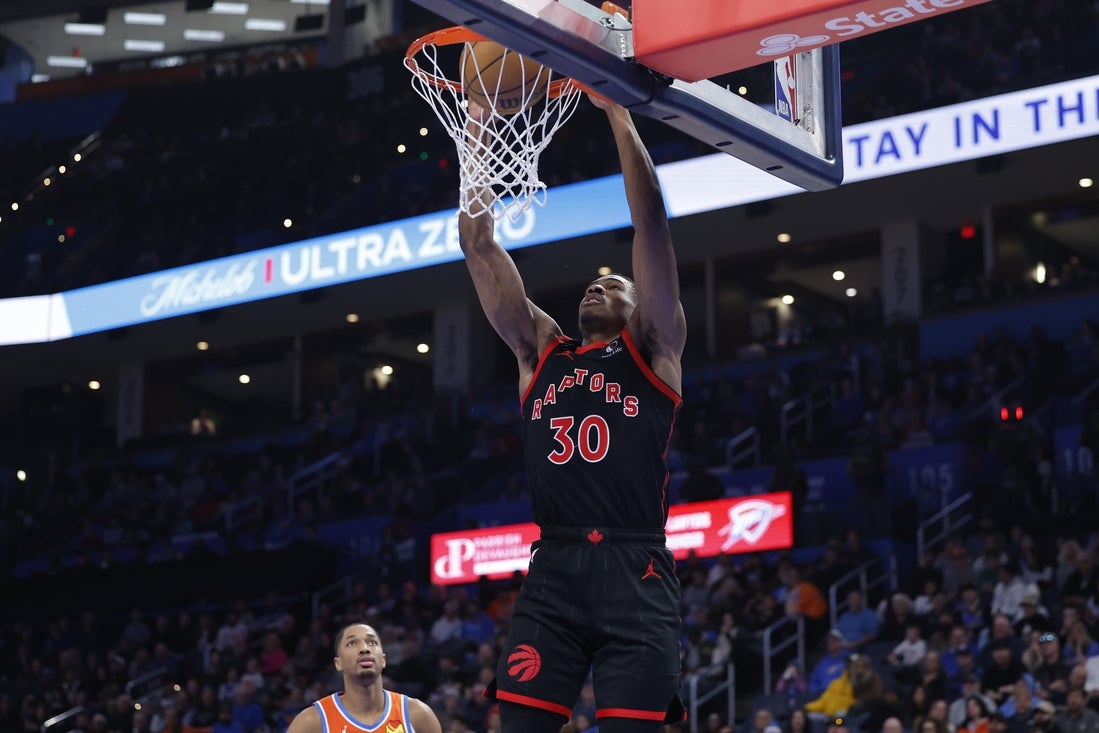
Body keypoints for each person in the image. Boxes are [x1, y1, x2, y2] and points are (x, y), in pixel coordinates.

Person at [458, 96, 687, 733]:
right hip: (554, 569)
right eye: (593, 283)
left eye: (615, 286)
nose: (597, 285)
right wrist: (477, 125)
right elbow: (477, 243)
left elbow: (652, 224)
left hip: (635, 567)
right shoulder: (540, 351)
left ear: (639, 307)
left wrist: (617, 113)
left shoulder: (653, 348)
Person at [286, 623, 441, 733]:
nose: (364, 649)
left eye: (372, 642)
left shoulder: (418, 714)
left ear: (383, 660)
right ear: (338, 663)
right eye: (352, 643)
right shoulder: (311, 722)